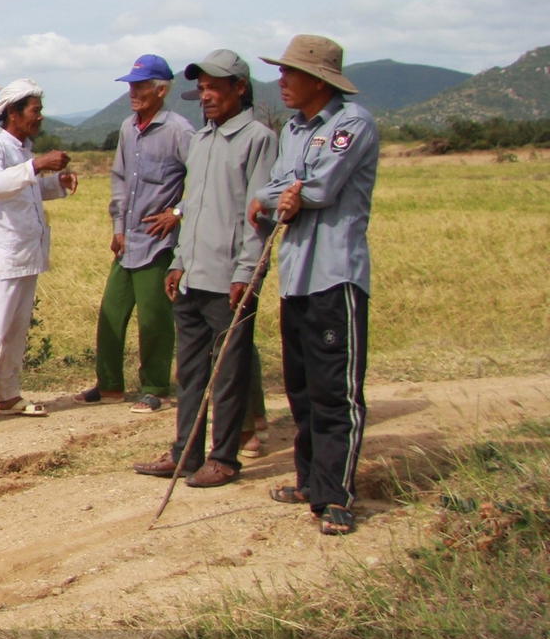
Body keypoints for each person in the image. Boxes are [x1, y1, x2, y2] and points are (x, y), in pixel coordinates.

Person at [247, 35, 378, 536]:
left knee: (335, 391)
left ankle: (335, 495)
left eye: (290, 73)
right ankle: (308, 480)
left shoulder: (351, 125)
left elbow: (320, 189)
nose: (281, 81)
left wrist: (290, 193)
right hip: (296, 275)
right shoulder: (295, 130)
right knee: (300, 389)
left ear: (319, 81)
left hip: (334, 274)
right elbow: (273, 190)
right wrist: (285, 193)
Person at [132, 51, 275, 488]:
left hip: (229, 277)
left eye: (216, 87)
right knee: (190, 371)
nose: (206, 96)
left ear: (240, 88)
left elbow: (259, 215)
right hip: (192, 276)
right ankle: (185, 453)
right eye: (203, 88)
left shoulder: (258, 139)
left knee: (229, 373)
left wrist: (246, 273)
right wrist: (177, 262)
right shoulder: (202, 140)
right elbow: (190, 206)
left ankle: (225, 458)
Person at [82, 54, 195, 414]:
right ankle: (110, 385)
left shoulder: (179, 130)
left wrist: (178, 213)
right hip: (128, 240)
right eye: (131, 85)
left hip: (158, 243)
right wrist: (117, 228)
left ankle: (156, 387)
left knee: (154, 319)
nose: (133, 92)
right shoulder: (129, 128)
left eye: (141, 86)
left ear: (161, 90)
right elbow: (119, 178)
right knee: (111, 313)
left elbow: (206, 180)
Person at [0, 80, 76, 429]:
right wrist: (39, 165)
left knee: (16, 329)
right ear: (13, 113)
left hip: (26, 252)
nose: (39, 118)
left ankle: (8, 393)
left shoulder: (22, 150)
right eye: (35, 111)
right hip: (3, 253)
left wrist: (56, 184)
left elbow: (24, 192)